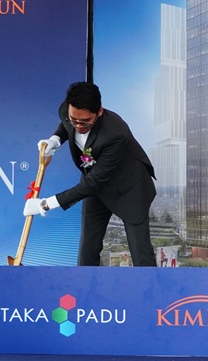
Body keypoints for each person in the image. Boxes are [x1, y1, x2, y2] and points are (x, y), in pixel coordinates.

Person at [24, 81, 157, 266]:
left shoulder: (115, 133)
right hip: (96, 186)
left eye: (85, 121)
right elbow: (66, 125)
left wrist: (45, 204)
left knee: (140, 251)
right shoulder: (68, 110)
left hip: (129, 188)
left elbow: (93, 183)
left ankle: (150, 292)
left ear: (99, 112)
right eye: (74, 119)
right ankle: (84, 290)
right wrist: (55, 140)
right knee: (88, 245)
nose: (78, 125)